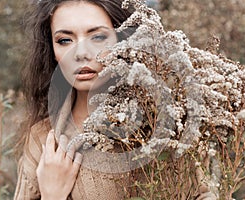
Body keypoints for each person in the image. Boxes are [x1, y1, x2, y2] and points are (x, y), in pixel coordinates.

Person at [14, 0, 217, 199]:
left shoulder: (170, 127)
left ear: (124, 41)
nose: (81, 53)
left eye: (98, 37)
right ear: (52, 51)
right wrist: (52, 195)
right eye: (65, 40)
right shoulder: (43, 140)